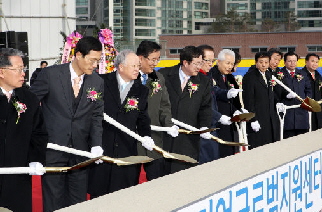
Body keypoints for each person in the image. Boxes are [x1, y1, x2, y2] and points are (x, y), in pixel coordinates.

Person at [30, 37, 104, 212]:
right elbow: (31, 107)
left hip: (80, 152)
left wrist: (96, 144)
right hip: (53, 149)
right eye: (92, 60)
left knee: (78, 200)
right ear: (78, 55)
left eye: (98, 61)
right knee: (53, 200)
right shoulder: (51, 75)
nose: (95, 65)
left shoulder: (97, 82)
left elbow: (96, 116)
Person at [88, 50, 154, 197]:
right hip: (102, 147)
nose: (137, 69)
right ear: (121, 67)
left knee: (123, 196)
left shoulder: (141, 90)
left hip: (127, 150)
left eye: (138, 65)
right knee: (99, 196)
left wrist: (146, 136)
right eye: (133, 66)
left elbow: (143, 119)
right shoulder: (101, 81)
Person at [0, 48, 48, 212]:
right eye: (19, 69)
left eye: (24, 69)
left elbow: (39, 133)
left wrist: (36, 158)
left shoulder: (29, 98)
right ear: (2, 72)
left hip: (18, 174)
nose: (23, 74)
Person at [159, 46, 213, 173]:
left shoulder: (203, 81)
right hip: (164, 136)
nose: (199, 67)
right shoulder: (164, 75)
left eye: (201, 63)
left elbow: (205, 107)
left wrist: (205, 126)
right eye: (196, 63)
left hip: (188, 139)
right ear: (185, 62)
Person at [136, 41, 178, 180]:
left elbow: (164, 105)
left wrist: (168, 125)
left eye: (158, 59)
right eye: (153, 59)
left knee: (157, 179)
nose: (156, 63)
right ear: (141, 58)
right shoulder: (128, 76)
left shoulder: (158, 78)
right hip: (133, 138)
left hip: (154, 138)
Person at [197, 45, 235, 163]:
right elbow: (200, 105)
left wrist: (227, 93)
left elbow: (214, 91)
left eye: (212, 60)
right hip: (202, 126)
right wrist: (219, 116)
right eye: (207, 60)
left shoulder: (207, 76)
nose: (210, 64)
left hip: (213, 125)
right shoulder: (195, 79)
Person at [242, 52, 280, 149]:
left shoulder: (269, 74)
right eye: (261, 62)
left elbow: (271, 93)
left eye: (266, 62)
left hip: (270, 117)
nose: (264, 65)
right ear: (256, 62)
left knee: (271, 145)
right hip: (258, 117)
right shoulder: (249, 77)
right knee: (259, 145)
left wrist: (278, 102)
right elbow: (248, 100)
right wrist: (252, 119)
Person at [209, 49, 240, 158]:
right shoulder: (211, 75)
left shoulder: (229, 77)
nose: (230, 66)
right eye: (227, 63)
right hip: (217, 121)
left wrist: (237, 110)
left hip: (229, 121)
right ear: (218, 62)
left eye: (232, 64)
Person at [279, 51, 312, 138]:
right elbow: (276, 92)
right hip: (287, 114)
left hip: (302, 113)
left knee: (303, 141)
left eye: (294, 61)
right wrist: (285, 96)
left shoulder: (302, 74)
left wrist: (306, 100)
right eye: (289, 61)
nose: (292, 63)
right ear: (284, 62)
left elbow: (308, 89)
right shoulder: (279, 75)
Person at [302, 53, 322, 131]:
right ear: (306, 62)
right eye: (312, 61)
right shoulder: (301, 75)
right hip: (307, 107)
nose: (315, 64)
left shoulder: (318, 75)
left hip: (318, 107)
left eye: (317, 62)